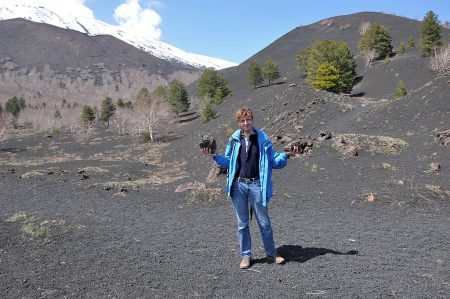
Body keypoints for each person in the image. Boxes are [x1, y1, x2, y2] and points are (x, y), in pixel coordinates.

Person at [202, 107, 298, 269]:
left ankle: (272, 254)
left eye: (248, 119)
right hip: (238, 186)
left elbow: (274, 160)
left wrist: (287, 155)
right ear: (239, 123)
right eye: (242, 120)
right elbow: (227, 161)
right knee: (242, 224)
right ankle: (246, 256)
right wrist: (213, 156)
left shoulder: (262, 138)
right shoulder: (234, 139)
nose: (246, 123)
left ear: (252, 120)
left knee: (264, 223)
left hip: (257, 185)